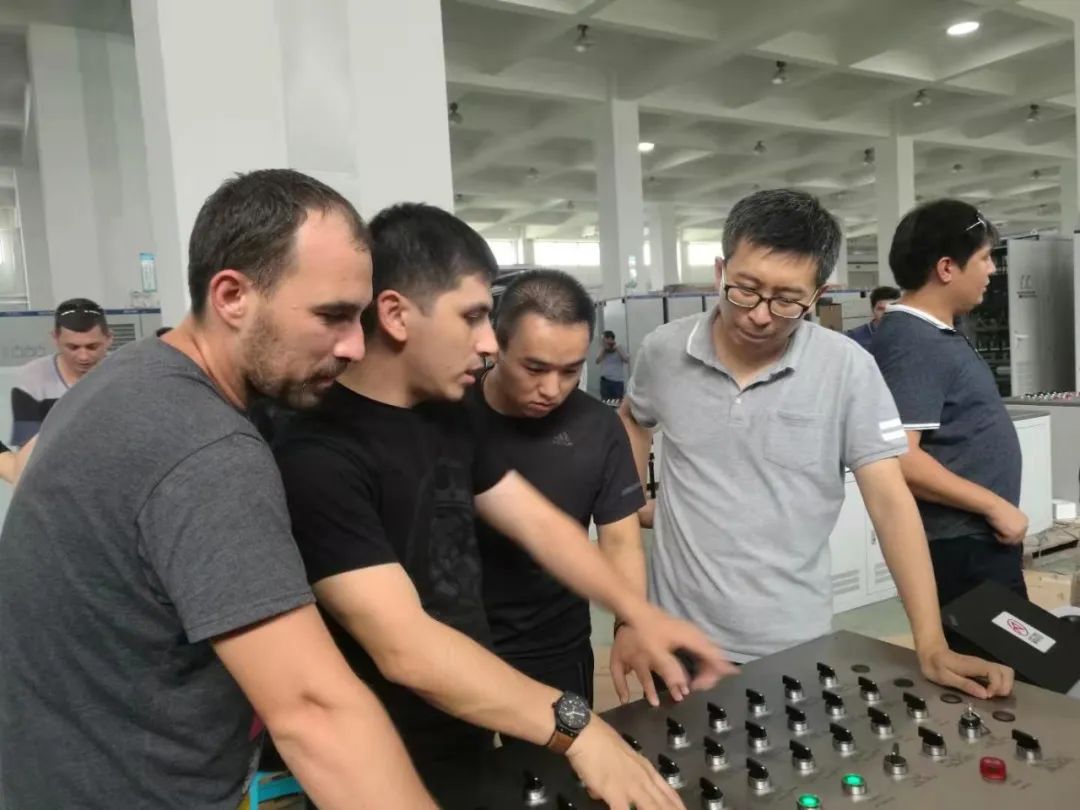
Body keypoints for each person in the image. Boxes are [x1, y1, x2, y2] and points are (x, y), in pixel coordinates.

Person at [273, 203, 732, 809]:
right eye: (472, 317)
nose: (489, 342)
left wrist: (637, 614)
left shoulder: (444, 416)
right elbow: (405, 648)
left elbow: (538, 523)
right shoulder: (318, 453)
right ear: (396, 314)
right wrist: (577, 727)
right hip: (378, 752)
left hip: (462, 726)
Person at [0, 170, 435, 809]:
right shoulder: (206, 449)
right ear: (232, 296)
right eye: (332, 316)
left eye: (360, 317)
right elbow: (316, 715)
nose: (353, 345)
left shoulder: (126, 377)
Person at [619, 188, 1014, 700]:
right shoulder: (665, 351)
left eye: (787, 301)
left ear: (818, 294)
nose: (760, 315)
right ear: (720, 272)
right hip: (672, 637)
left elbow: (891, 505)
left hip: (791, 643)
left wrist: (931, 642)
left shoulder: (846, 368)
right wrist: (633, 500)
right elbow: (633, 419)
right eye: (744, 290)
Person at [470, 269, 661, 714]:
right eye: (534, 368)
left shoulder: (597, 428)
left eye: (570, 370)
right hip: (455, 642)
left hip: (555, 647)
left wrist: (629, 622)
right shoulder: (449, 412)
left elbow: (620, 539)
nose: (551, 389)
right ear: (497, 343)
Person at [872, 200, 1027, 634]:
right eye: (984, 258)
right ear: (946, 268)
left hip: (976, 543)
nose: (991, 270)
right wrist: (994, 506)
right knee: (1006, 668)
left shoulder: (933, 334)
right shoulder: (913, 341)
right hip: (962, 550)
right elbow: (900, 455)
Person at [10, 297, 112, 445]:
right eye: (72, 347)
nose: (83, 357)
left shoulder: (126, 375)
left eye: (92, 347)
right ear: (55, 339)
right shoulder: (32, 380)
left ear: (109, 338)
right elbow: (27, 447)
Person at [845, 285, 900, 351]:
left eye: (891, 308)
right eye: (881, 309)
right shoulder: (854, 337)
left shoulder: (906, 333)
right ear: (872, 310)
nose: (886, 313)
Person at [596, 329, 629, 400]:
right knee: (605, 403)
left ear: (610, 339)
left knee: (617, 403)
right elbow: (597, 361)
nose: (602, 341)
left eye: (604, 339)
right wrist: (603, 349)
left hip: (617, 382)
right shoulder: (602, 348)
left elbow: (626, 360)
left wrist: (618, 349)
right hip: (605, 381)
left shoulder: (620, 347)